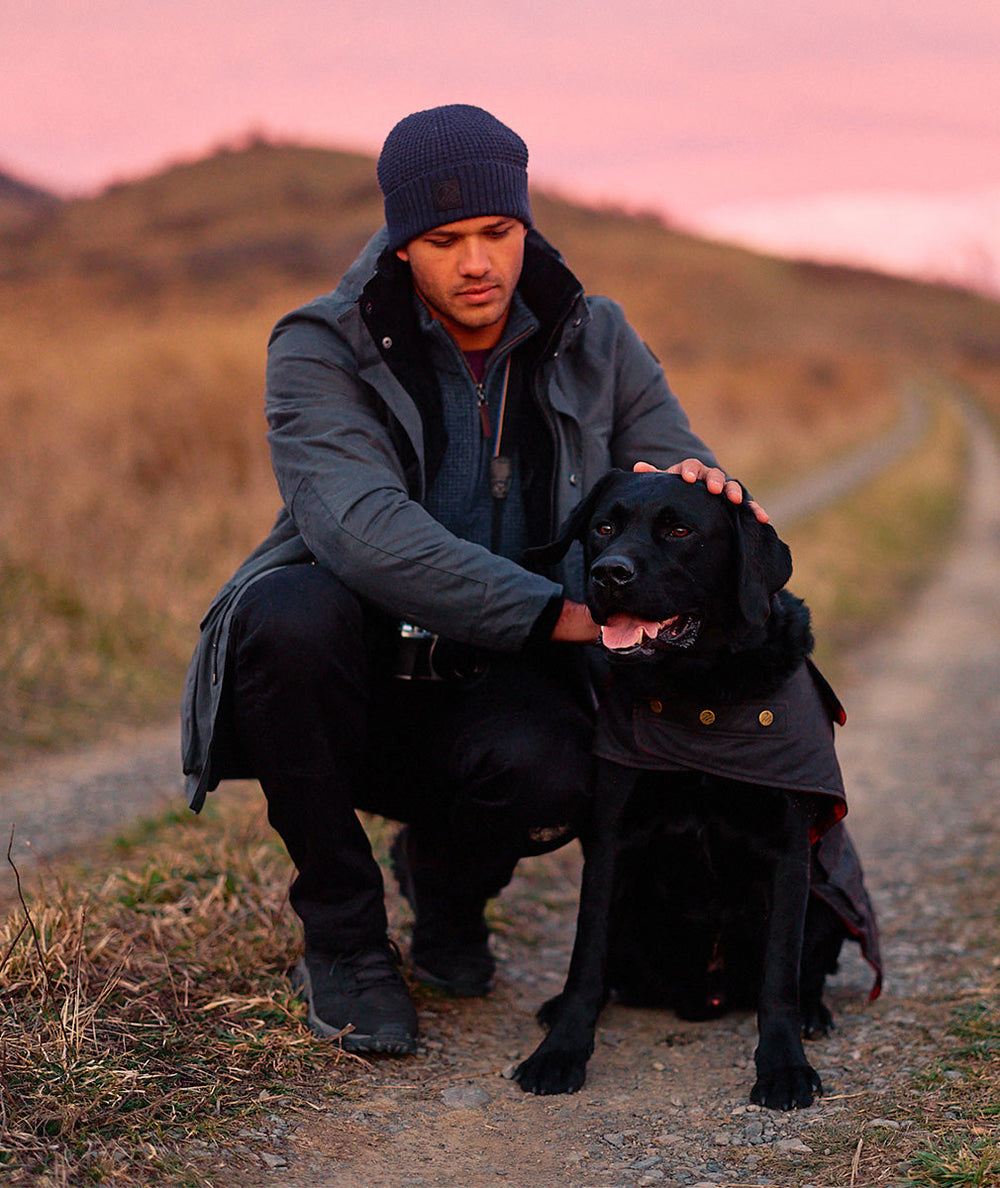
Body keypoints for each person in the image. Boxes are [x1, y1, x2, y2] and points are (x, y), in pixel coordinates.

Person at [181, 104, 761, 1056]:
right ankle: (344, 939)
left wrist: (718, 497)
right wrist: (553, 613)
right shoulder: (318, 347)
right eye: (444, 240)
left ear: (526, 223)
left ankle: (447, 894)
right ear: (403, 245)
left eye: (498, 231)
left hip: (502, 686)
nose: (478, 262)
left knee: (562, 768)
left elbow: (670, 472)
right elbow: (361, 531)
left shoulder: (597, 337)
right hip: (350, 686)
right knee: (285, 613)